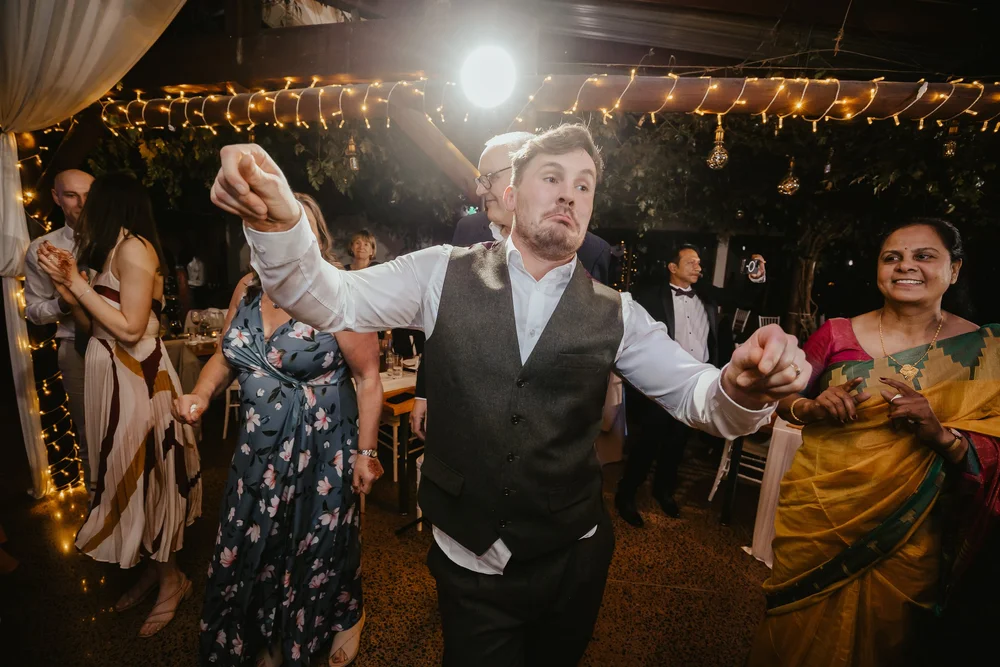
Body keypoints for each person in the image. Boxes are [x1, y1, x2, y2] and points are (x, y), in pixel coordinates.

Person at [210, 124, 810, 666]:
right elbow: (328, 297)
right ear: (512, 194)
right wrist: (281, 225)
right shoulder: (439, 272)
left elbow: (697, 395)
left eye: (584, 185)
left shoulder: (618, 313)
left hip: (571, 559)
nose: (569, 194)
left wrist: (740, 386)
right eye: (552, 178)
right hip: (469, 559)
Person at [747, 218, 1000, 666]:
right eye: (892, 257)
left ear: (955, 269)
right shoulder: (836, 333)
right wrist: (811, 407)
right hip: (820, 513)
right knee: (796, 628)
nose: (906, 266)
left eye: (924, 256)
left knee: (889, 637)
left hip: (912, 528)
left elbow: (992, 451)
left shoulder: (985, 350)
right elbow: (781, 400)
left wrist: (943, 436)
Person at [173, 192, 384, 667]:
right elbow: (226, 355)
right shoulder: (248, 288)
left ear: (314, 237)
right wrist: (200, 395)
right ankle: (260, 629)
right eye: (269, 228)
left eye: (291, 228)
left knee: (317, 542)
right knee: (253, 537)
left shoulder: (338, 289)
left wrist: (366, 453)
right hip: (257, 449)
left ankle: (341, 616)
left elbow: (369, 377)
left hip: (322, 449)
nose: (279, 238)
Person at [36, 172, 202, 637]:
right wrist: (66, 286)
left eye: (92, 199)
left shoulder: (134, 249)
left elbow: (130, 328)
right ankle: (153, 569)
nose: (83, 208)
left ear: (110, 204)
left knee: (147, 473)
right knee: (121, 473)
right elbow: (93, 325)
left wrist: (77, 283)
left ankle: (173, 579)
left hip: (138, 378)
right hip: (111, 374)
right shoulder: (110, 251)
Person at [410, 131, 613, 438]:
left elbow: (592, 351)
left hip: (543, 429)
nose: (480, 188)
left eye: (488, 177)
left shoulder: (591, 250)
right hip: (464, 416)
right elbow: (442, 320)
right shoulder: (468, 230)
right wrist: (424, 392)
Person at [616, 243, 766, 524]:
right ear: (673, 267)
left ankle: (664, 492)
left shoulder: (706, 294)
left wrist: (755, 277)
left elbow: (744, 299)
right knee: (647, 443)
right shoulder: (651, 296)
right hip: (662, 383)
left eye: (699, 262)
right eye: (691, 262)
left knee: (677, 445)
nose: (698, 266)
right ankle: (627, 495)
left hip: (697, 384)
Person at [23, 169, 95, 493]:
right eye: (71, 195)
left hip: (122, 341)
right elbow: (34, 311)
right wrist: (64, 304)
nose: (82, 204)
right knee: (89, 433)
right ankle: (98, 510)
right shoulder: (43, 248)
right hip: (75, 347)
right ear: (56, 198)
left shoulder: (119, 239)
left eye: (88, 195)